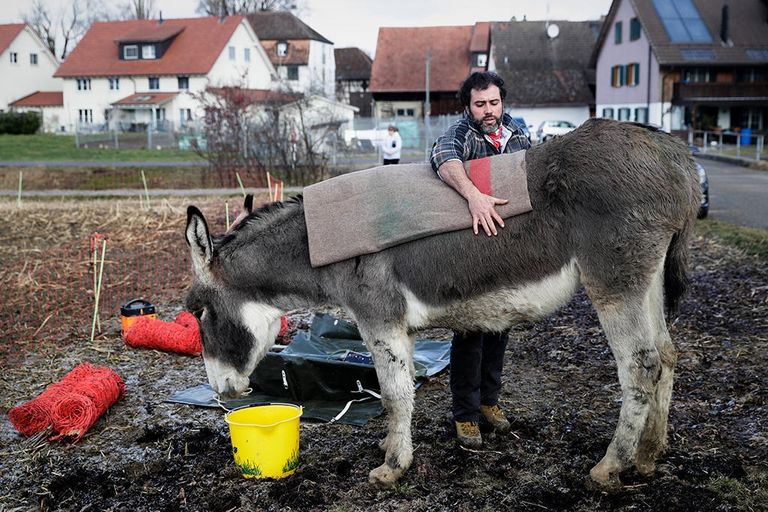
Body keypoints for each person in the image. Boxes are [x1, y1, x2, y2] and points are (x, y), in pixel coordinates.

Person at [429, 71, 531, 449]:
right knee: (471, 332)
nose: (488, 111)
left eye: (493, 102)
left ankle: (489, 403)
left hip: (507, 249)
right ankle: (466, 416)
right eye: (480, 104)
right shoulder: (461, 135)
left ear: (502, 102)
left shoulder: (517, 133)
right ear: (467, 106)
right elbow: (441, 156)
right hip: (471, 251)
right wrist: (473, 195)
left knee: (500, 327)